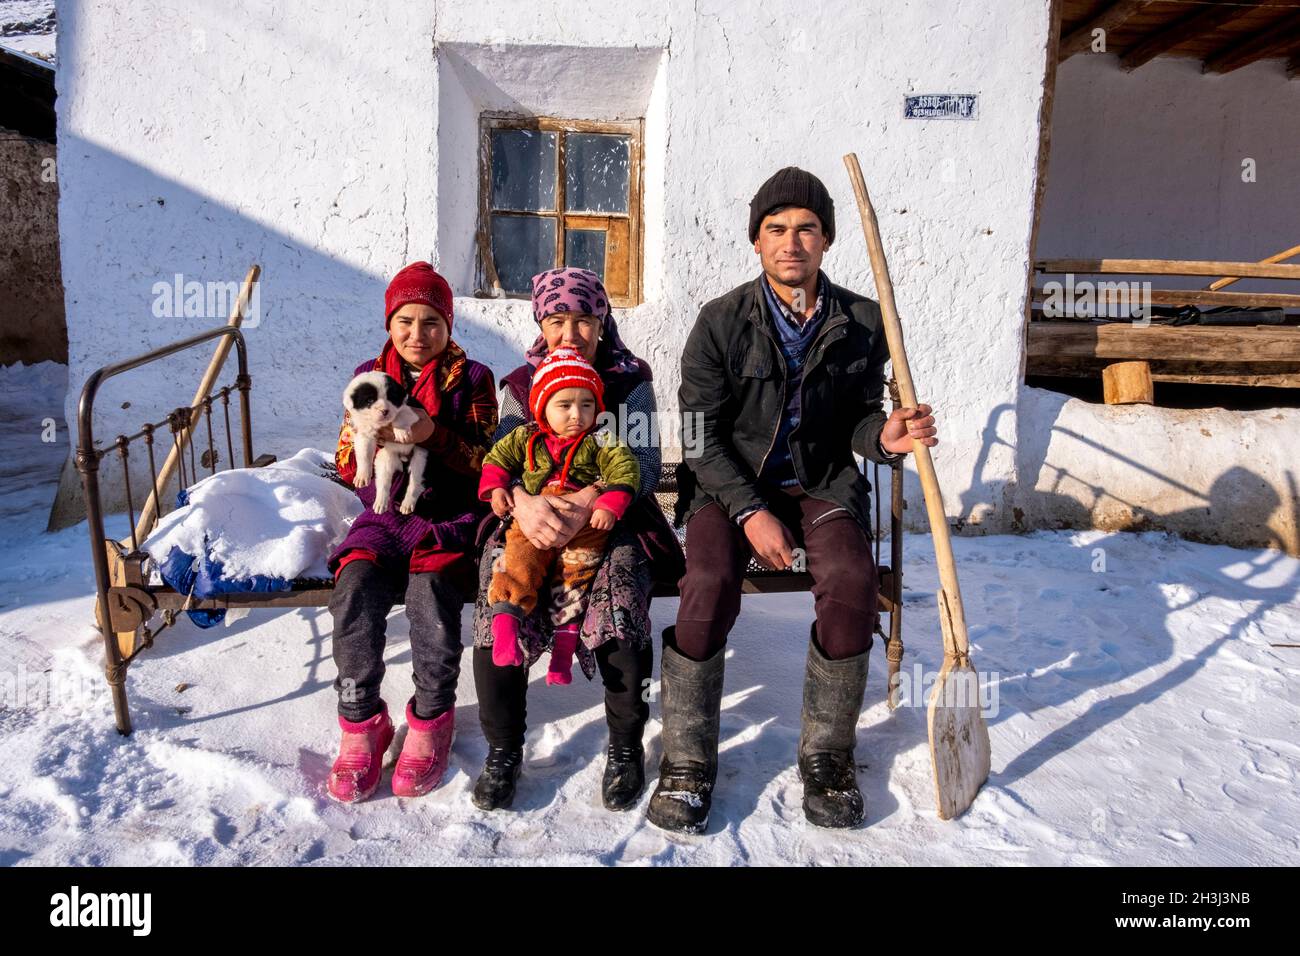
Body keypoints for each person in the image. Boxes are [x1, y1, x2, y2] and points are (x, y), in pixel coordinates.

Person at [649, 167, 939, 833]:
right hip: (726, 485)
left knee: (851, 579)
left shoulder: (863, 321)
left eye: (806, 227)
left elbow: (861, 422)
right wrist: (749, 512)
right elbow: (699, 435)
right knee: (710, 580)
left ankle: (829, 754)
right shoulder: (720, 323)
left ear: (827, 239)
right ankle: (688, 758)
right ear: (756, 241)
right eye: (776, 228)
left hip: (821, 481)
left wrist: (887, 436)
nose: (791, 241)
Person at [469, 267, 684, 813]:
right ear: (542, 321)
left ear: (602, 321)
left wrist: (587, 502)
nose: (571, 334)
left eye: (584, 320)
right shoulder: (521, 382)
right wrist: (526, 503)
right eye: (557, 320)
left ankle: (625, 746)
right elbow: (504, 456)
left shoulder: (629, 380)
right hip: (530, 516)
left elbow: (645, 460)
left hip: (613, 514)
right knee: (500, 586)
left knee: (621, 588)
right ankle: (502, 748)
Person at [324, 261, 498, 803]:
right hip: (383, 516)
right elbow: (346, 455)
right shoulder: (368, 376)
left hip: (447, 515)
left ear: (448, 325)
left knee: (431, 599)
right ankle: (360, 722)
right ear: (389, 323)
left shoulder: (473, 379)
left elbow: (487, 461)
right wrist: (366, 440)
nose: (417, 335)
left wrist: (433, 434)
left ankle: (429, 719)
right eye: (406, 321)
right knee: (353, 589)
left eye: (431, 322)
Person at [479, 347, 640, 685]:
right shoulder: (525, 437)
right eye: (564, 405)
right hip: (534, 517)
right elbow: (496, 459)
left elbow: (625, 468)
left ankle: (562, 658)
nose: (576, 415)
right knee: (518, 557)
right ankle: (506, 629)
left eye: (586, 404)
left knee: (575, 577)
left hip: (586, 524)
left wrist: (609, 503)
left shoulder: (601, 438)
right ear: (542, 408)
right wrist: (498, 490)